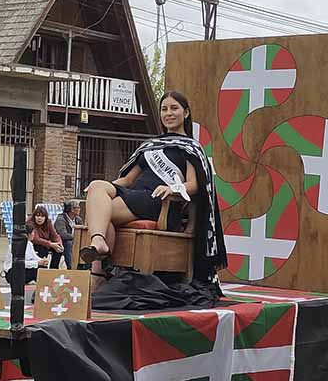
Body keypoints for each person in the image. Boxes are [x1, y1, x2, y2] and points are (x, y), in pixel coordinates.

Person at [79, 90, 226, 290]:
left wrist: (172, 187)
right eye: (164, 109)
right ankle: (99, 245)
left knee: (102, 214)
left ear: (186, 113)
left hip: (160, 200)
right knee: (97, 188)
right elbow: (128, 179)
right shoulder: (150, 145)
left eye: (174, 108)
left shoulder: (191, 147)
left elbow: (194, 185)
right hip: (136, 195)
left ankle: (97, 274)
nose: (169, 113)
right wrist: (100, 191)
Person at [28, 204, 64, 269]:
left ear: (45, 217)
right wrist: (50, 244)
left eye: (42, 216)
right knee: (42, 249)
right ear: (34, 217)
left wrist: (59, 243)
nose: (39, 218)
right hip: (34, 244)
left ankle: (53, 269)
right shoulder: (30, 223)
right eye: (37, 216)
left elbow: (55, 235)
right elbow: (35, 239)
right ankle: (42, 267)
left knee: (58, 250)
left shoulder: (48, 222)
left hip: (47, 243)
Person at [54, 200, 83, 269]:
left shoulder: (78, 219)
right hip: (61, 241)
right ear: (72, 209)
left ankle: (83, 266)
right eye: (78, 207)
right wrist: (76, 237)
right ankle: (71, 266)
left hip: (74, 240)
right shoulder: (61, 219)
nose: (79, 209)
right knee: (68, 243)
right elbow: (63, 235)